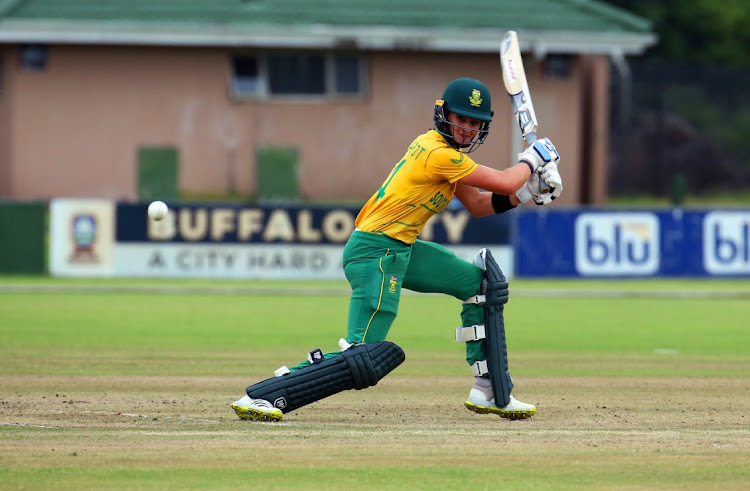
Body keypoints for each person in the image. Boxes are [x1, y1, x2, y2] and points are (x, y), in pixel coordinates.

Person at [232, 77, 562, 421]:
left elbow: (480, 205)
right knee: (363, 354)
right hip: (375, 252)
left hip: (401, 248)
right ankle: (267, 394)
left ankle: (490, 389)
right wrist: (532, 159)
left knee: (479, 284)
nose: (466, 129)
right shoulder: (436, 153)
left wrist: (526, 194)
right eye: (461, 119)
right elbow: (508, 179)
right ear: (444, 115)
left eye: (474, 123)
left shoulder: (450, 157)